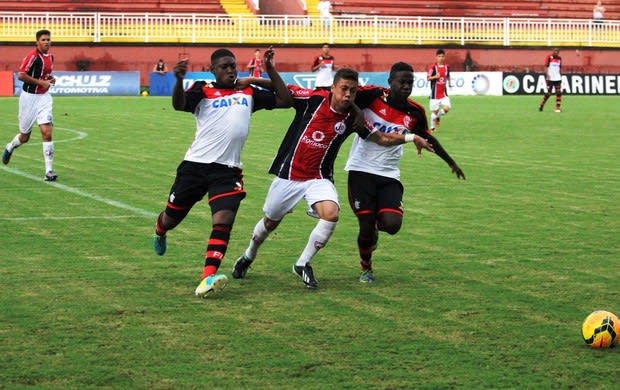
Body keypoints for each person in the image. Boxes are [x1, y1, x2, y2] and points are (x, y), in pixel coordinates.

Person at [231, 68, 435, 290]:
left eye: (353, 91)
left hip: (318, 178)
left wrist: (411, 136)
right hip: (288, 175)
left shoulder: (354, 118)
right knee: (270, 222)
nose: (348, 95)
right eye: (344, 89)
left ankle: (302, 263)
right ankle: (248, 256)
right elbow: (284, 90)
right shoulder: (313, 99)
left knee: (331, 214)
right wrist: (255, 77)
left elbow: (382, 138)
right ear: (333, 88)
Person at [151, 47, 292, 298]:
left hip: (227, 171)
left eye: (232, 66)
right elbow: (179, 105)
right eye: (224, 66)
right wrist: (180, 80)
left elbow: (285, 100)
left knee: (224, 220)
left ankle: (208, 277)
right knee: (171, 218)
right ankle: (160, 230)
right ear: (212, 70)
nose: (230, 70)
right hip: (195, 167)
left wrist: (265, 73)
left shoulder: (247, 92)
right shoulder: (202, 89)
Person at [344, 62, 465, 283]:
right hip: (360, 170)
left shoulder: (414, 111)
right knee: (365, 229)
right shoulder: (372, 96)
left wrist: (451, 162)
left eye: (410, 82)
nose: (407, 86)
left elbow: (429, 138)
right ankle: (366, 268)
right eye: (402, 82)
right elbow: (346, 98)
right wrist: (357, 113)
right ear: (390, 82)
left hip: (389, 174)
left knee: (392, 225)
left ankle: (376, 228)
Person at [2, 29, 57, 181]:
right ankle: (10, 146)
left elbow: (45, 75)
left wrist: (50, 79)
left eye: (48, 39)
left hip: (44, 97)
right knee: (25, 136)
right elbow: (21, 75)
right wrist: (41, 82)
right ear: (37, 42)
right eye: (43, 40)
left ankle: (49, 171)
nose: (47, 42)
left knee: (47, 132)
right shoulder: (32, 57)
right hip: (29, 99)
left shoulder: (51, 57)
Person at [427, 48, 453, 132]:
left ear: (444, 57)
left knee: (446, 108)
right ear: (436, 57)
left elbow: (448, 75)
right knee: (435, 112)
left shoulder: (447, 67)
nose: (441, 58)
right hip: (434, 95)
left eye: (442, 56)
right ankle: (432, 127)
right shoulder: (433, 67)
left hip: (443, 94)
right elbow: (428, 78)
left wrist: (449, 82)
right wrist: (435, 77)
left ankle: (436, 118)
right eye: (439, 56)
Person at [539, 48, 562, 113]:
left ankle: (558, 108)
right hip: (550, 78)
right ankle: (542, 104)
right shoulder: (549, 57)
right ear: (553, 51)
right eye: (555, 51)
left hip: (557, 78)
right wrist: (547, 74)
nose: (556, 53)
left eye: (557, 52)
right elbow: (546, 66)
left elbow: (559, 67)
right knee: (549, 93)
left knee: (559, 92)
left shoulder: (559, 58)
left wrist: (560, 75)